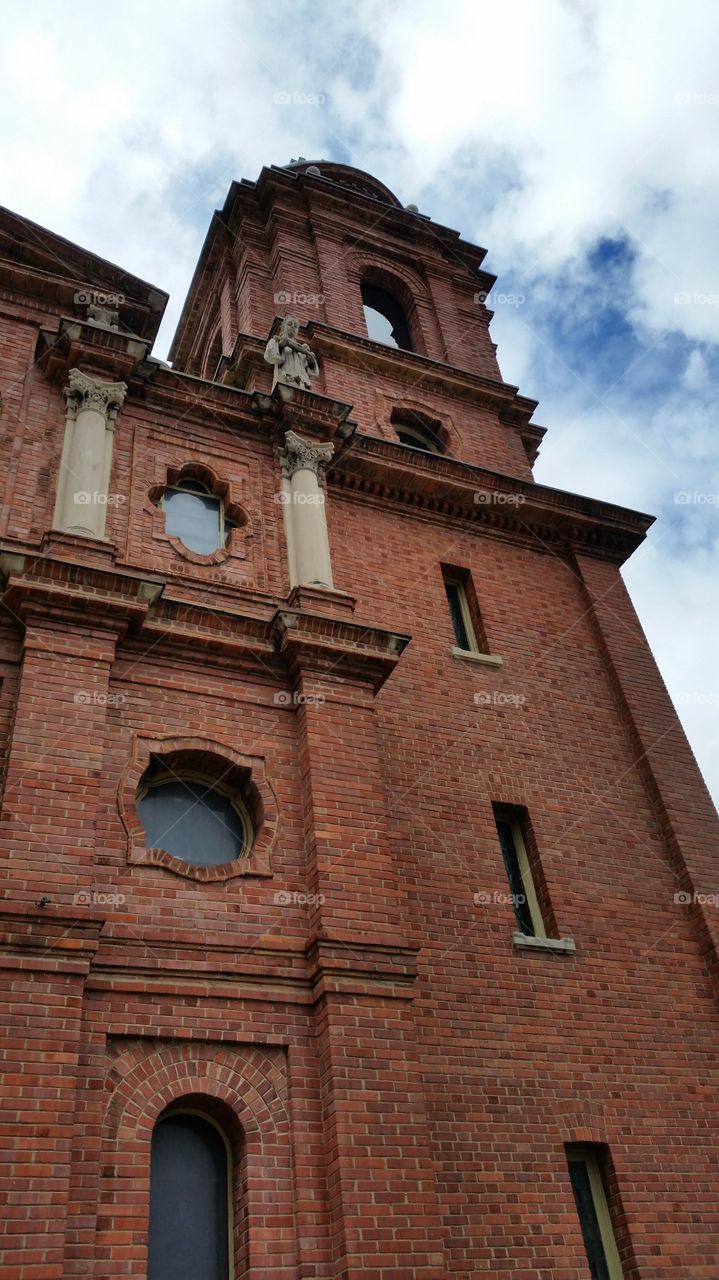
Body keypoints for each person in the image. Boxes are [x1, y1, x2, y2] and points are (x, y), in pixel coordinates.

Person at [264, 316, 319, 391]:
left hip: (302, 384)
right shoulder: (275, 341)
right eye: (290, 324)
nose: (293, 326)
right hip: (286, 380)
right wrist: (280, 346)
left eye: (296, 326)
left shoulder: (302, 350)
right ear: (283, 327)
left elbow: (312, 372)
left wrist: (311, 361)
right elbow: (269, 357)